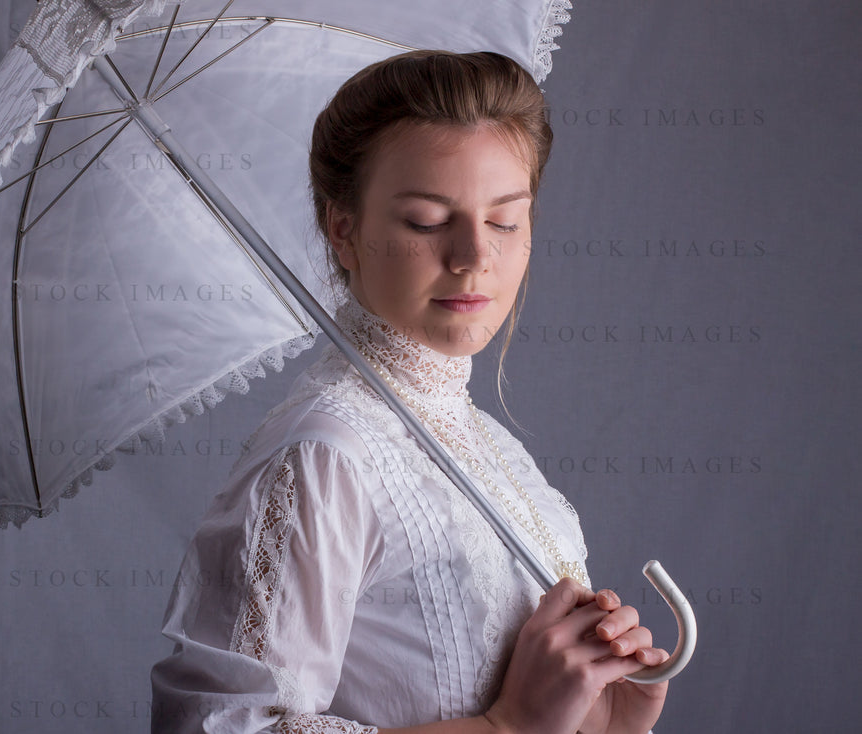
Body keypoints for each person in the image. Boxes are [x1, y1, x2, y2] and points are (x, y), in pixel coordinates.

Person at [150, 50, 670, 734]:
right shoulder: (324, 455)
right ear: (345, 230)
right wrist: (506, 727)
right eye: (427, 221)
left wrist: (602, 722)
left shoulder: (492, 448)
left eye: (506, 220)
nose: (473, 256)